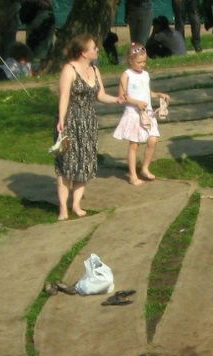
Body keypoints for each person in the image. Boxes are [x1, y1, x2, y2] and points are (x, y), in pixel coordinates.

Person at [54, 34, 125, 221]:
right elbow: (64, 97)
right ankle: (63, 208)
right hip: (70, 121)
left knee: (84, 163)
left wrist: (116, 99)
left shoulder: (95, 70)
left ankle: (76, 205)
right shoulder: (69, 70)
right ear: (83, 53)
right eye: (93, 48)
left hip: (88, 122)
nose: (97, 50)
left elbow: (100, 95)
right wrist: (61, 120)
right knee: (66, 164)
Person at [113, 44, 170, 185]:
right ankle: (133, 175)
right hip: (133, 114)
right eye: (139, 62)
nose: (142, 65)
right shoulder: (126, 75)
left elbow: (147, 92)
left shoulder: (145, 75)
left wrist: (158, 94)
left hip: (147, 113)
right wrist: (136, 102)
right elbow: (122, 96)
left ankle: (145, 168)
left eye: (144, 62)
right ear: (130, 60)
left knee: (153, 139)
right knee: (134, 144)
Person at [20, 0, 55, 68]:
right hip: (36, 17)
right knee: (34, 46)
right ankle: (36, 68)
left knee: (38, 47)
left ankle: (37, 68)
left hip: (41, 17)